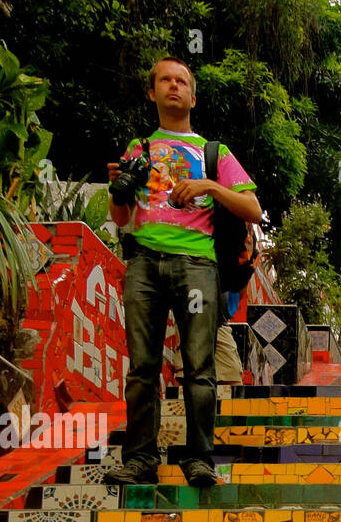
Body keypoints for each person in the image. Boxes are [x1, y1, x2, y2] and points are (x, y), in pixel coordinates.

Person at [106, 57, 262, 486]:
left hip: (198, 265)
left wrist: (210, 186)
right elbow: (120, 217)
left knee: (199, 367)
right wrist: (117, 188)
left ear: (193, 96)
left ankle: (199, 459)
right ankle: (139, 459)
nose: (173, 87)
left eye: (182, 81)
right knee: (142, 367)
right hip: (143, 263)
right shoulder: (139, 149)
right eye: (164, 80)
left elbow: (253, 208)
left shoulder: (215, 153)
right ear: (152, 91)